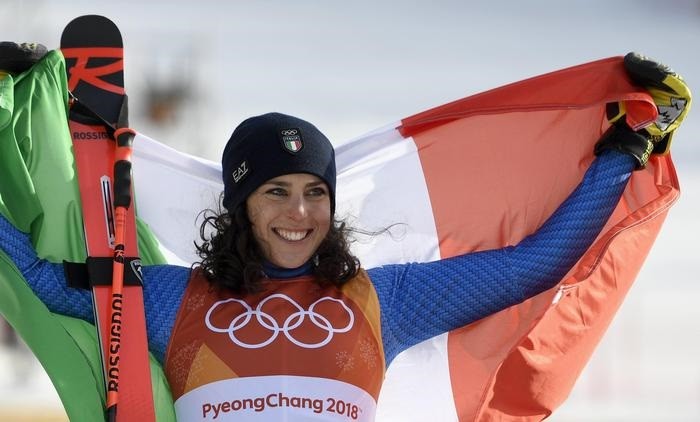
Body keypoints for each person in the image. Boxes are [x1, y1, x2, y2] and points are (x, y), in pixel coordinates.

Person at [0, 52, 691, 421]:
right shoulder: (168, 298)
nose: (299, 212)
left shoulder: (382, 300)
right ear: (241, 205)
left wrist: (624, 151)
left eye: (314, 192)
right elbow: (38, 278)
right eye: (276, 191)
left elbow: (532, 266)